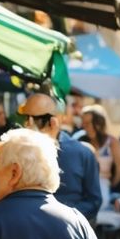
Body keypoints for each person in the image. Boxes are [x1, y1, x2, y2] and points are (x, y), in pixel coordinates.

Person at [18, 93, 102, 222]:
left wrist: (64, 217)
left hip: (67, 230)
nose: (28, 124)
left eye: (36, 120)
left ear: (54, 120)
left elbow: (94, 201)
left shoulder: (82, 153)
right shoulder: (16, 151)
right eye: (24, 118)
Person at [78, 104, 120, 210]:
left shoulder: (112, 143)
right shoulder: (80, 140)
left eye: (87, 123)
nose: (84, 126)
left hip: (103, 184)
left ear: (99, 123)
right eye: (83, 123)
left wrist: (112, 185)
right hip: (82, 185)